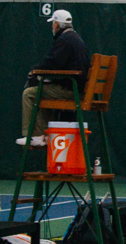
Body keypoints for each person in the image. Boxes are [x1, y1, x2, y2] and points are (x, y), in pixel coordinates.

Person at [17, 9, 90, 146]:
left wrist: (35, 71)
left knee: (29, 93)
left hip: (72, 91)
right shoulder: (77, 39)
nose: (52, 27)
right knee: (43, 91)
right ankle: (44, 134)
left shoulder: (64, 40)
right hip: (79, 88)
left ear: (57, 24)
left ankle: (34, 135)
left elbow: (51, 63)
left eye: (53, 24)